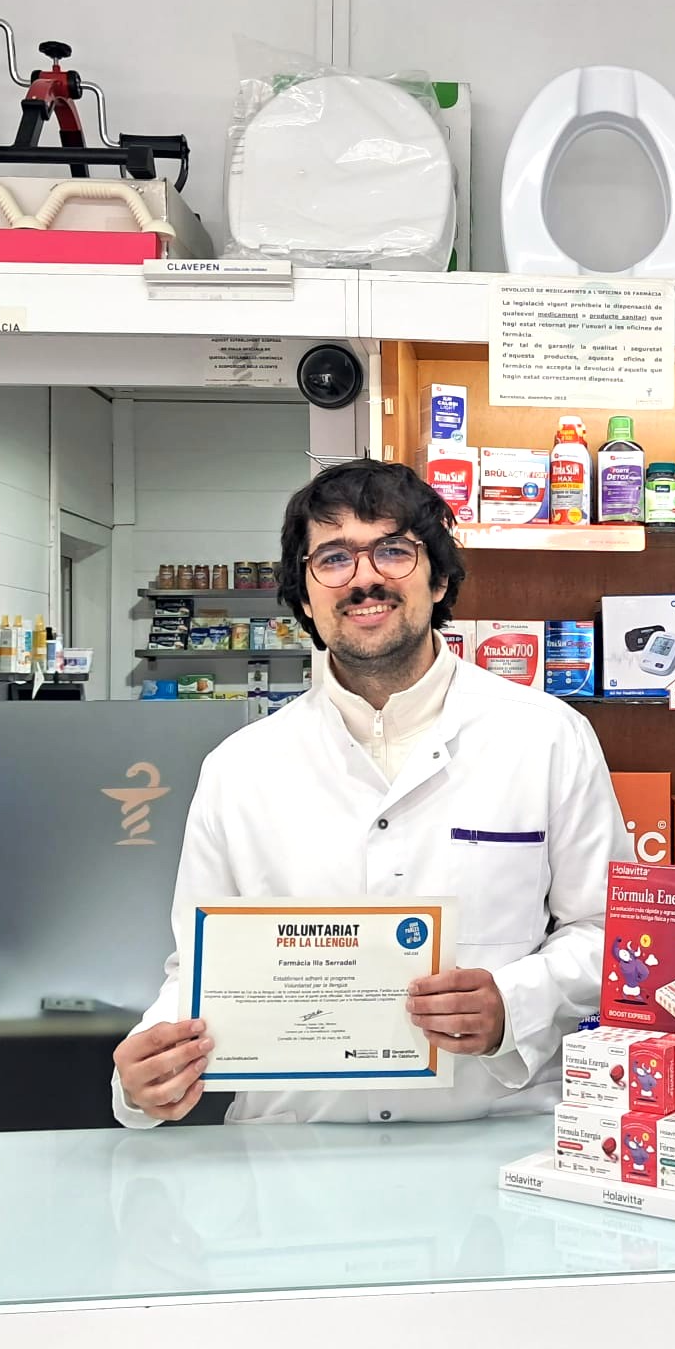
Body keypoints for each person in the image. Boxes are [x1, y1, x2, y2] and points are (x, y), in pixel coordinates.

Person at [111, 460, 629, 1127]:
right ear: (304, 597)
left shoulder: (547, 736)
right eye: (333, 558)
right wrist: (145, 1076)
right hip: (295, 1149)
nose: (363, 578)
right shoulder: (239, 768)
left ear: (438, 579)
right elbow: (202, 963)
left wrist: (515, 1000)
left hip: (492, 1141)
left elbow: (609, 930)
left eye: (393, 551)